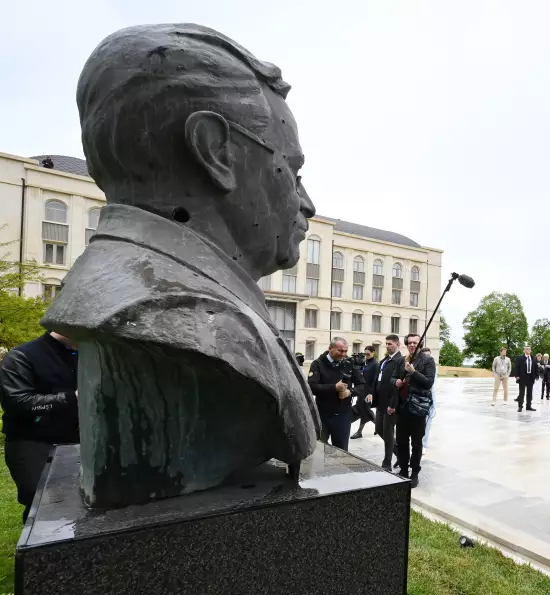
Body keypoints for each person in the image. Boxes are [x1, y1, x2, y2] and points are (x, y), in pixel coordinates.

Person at [41, 24, 320, 506]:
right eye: (291, 171)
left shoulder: (131, 293)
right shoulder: (175, 317)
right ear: (214, 151)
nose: (307, 202)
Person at [0, 331, 79, 522]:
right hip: (32, 442)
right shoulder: (21, 356)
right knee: (42, 503)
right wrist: (72, 398)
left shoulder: (89, 353)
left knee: (77, 502)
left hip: (77, 440)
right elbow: (17, 402)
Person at [307, 337, 364, 451]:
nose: (343, 354)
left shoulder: (349, 363)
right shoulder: (318, 364)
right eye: (340, 351)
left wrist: (350, 392)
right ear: (330, 348)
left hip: (342, 416)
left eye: (345, 351)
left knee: (341, 452)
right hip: (322, 415)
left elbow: (362, 386)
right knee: (318, 450)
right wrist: (334, 387)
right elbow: (311, 387)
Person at [395, 334, 436, 488]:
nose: (412, 345)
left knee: (416, 443)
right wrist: (396, 382)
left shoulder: (428, 360)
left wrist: (414, 372)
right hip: (402, 407)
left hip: (418, 408)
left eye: (415, 342)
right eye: (410, 343)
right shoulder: (402, 360)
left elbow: (428, 383)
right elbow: (393, 378)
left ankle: (415, 472)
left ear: (420, 344)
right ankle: (403, 470)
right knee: (401, 442)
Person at [373, 334, 404, 470]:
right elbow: (378, 380)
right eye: (386, 344)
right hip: (380, 402)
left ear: (398, 344)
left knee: (388, 432)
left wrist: (393, 404)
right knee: (379, 429)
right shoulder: (385, 361)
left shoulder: (400, 360)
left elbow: (398, 385)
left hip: (390, 403)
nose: (387, 346)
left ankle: (387, 463)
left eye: (390, 344)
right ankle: (401, 454)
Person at [350, 345, 379, 439]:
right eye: (365, 354)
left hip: (368, 392)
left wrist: (371, 393)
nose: (366, 356)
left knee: (365, 411)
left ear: (373, 352)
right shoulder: (365, 363)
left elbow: (375, 380)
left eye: (368, 354)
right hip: (361, 391)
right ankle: (378, 427)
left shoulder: (375, 364)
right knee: (364, 410)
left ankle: (378, 428)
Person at [421, 348, 437, 455]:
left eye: (429, 355)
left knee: (427, 423)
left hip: (430, 397)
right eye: (425, 355)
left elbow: (431, 382)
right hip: (419, 397)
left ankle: (423, 444)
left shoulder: (433, 367)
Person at [515, 346, 538, 412]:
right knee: (521, 393)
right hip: (522, 377)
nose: (528, 350)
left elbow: (535, 367)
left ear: (531, 351)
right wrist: (517, 375)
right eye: (527, 349)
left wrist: (536, 375)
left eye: (529, 349)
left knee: (529, 393)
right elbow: (517, 367)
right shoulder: (520, 358)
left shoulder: (533, 358)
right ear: (524, 350)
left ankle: (528, 406)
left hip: (530, 377)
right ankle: (520, 406)